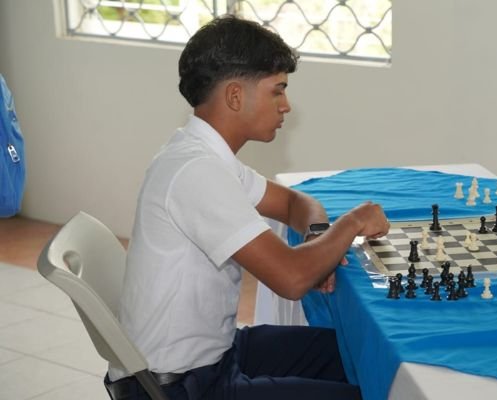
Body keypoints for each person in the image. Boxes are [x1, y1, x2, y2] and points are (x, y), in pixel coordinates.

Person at [106, 15, 390, 399]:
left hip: (216, 355)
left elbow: (293, 202)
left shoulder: (205, 156)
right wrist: (353, 222)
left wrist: (320, 238)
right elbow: (291, 278)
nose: (286, 106)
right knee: (368, 392)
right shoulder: (196, 172)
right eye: (278, 91)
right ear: (236, 96)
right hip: (182, 385)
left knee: (362, 358)